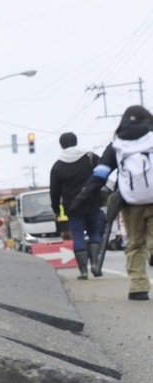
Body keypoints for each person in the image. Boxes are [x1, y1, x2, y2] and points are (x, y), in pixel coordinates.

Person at [69, 105, 153, 300]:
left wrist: (79, 201)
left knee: (134, 244)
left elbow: (99, 176)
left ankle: (138, 287)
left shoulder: (116, 145)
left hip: (131, 202)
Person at [49, 132, 105, 280]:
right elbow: (102, 175)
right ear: (76, 142)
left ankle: (83, 271)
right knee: (94, 232)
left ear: (61, 145)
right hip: (92, 201)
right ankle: (95, 264)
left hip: (72, 207)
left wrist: (56, 209)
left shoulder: (58, 166)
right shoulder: (90, 158)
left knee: (78, 236)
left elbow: (54, 192)